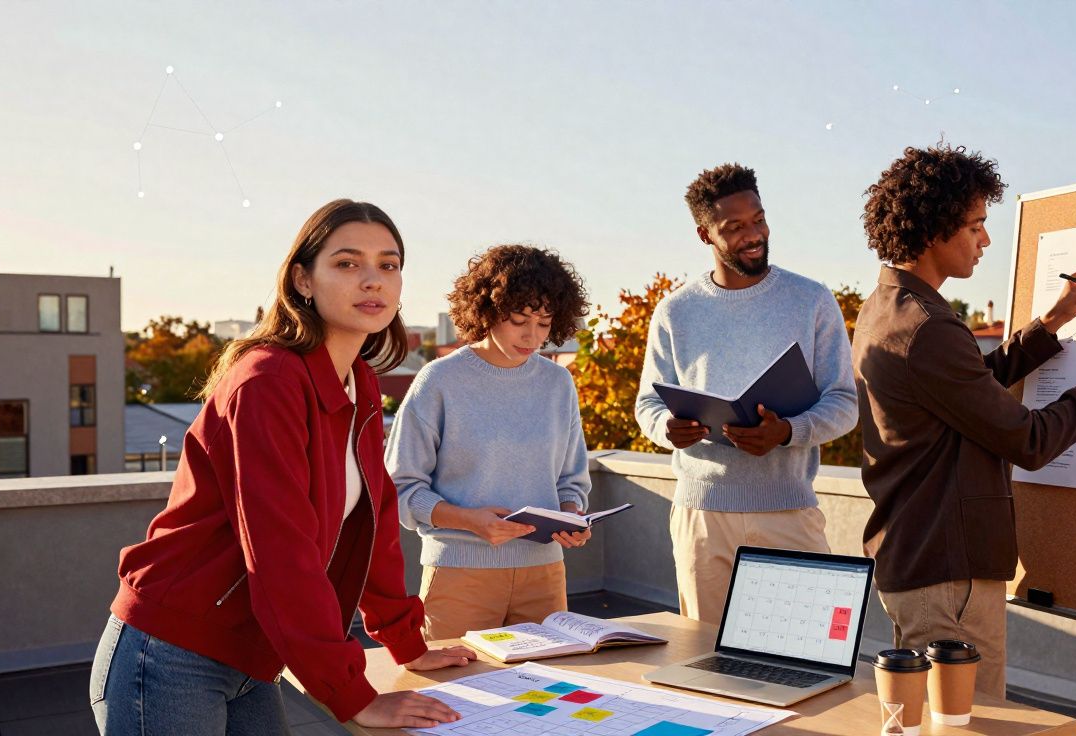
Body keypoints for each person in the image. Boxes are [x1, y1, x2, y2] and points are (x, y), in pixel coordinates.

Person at [91, 200, 476, 735]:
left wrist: (408, 644)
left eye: (388, 265)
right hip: (172, 651)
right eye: (347, 263)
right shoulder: (268, 381)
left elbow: (376, 521)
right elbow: (280, 550)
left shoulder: (357, 382)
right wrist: (352, 694)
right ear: (302, 279)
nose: (373, 280)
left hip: (253, 654)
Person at [851, 144, 1076, 697]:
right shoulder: (928, 326)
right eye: (975, 225)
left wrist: (1053, 321)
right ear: (933, 229)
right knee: (969, 724)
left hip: (920, 559)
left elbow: (964, 388)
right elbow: (1030, 440)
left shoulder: (886, 307)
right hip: (947, 574)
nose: (985, 240)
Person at [635, 163, 859, 624]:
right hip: (701, 514)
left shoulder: (811, 300)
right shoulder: (676, 311)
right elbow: (647, 403)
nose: (753, 234)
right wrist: (667, 428)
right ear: (705, 235)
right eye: (734, 227)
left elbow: (844, 403)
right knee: (706, 664)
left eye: (758, 219)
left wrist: (789, 431)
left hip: (787, 511)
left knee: (803, 659)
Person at [388, 244, 592, 640]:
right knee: (457, 697)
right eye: (519, 320)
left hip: (544, 575)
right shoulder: (439, 381)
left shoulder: (557, 383)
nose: (533, 336)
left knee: (548, 696)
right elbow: (400, 488)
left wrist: (571, 516)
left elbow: (571, 480)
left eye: (546, 323)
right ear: (488, 309)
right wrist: (469, 521)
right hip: (460, 574)